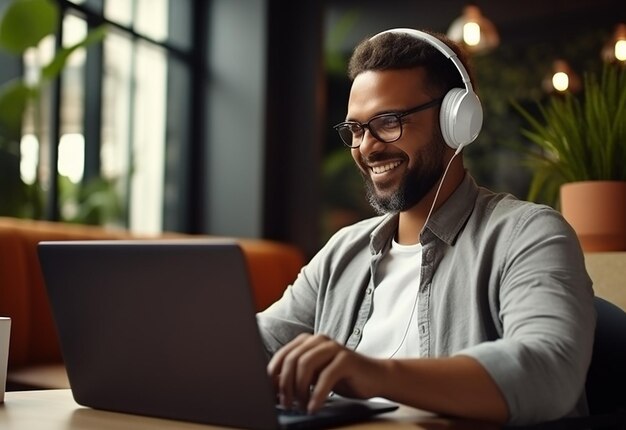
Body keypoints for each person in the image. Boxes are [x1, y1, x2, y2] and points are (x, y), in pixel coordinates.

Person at [257, 28, 595, 426]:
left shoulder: (528, 234)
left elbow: (547, 370)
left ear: (457, 121)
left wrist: (374, 373)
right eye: (356, 129)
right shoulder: (342, 251)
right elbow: (251, 349)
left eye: (388, 121)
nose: (366, 147)